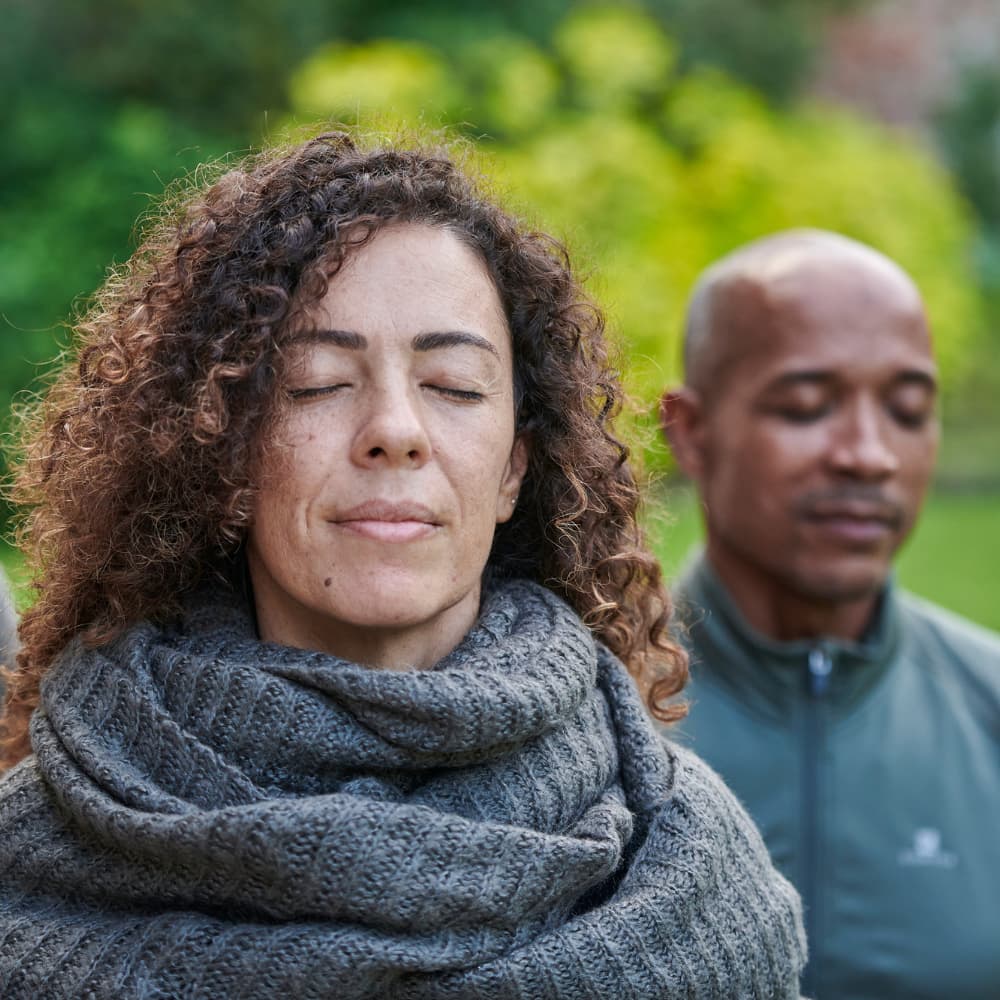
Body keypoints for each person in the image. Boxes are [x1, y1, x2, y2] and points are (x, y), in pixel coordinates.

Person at [0, 133, 805, 999]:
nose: (395, 428)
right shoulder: (37, 857)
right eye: (315, 380)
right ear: (226, 452)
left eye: (454, 386)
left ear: (513, 469)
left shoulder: (686, 862)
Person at [659, 228, 1000, 1000]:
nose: (868, 454)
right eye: (807, 406)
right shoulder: (584, 725)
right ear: (691, 432)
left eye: (908, 412)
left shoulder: (989, 708)